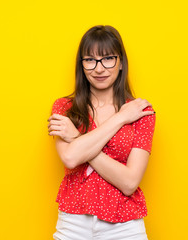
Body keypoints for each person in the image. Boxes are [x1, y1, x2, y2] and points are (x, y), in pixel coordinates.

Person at [48, 25, 156, 240]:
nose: (99, 68)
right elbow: (70, 158)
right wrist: (121, 118)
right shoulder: (64, 108)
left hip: (125, 225)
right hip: (73, 221)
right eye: (90, 60)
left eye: (108, 59)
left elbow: (129, 183)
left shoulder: (141, 112)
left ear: (121, 62)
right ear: (82, 65)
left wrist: (77, 140)